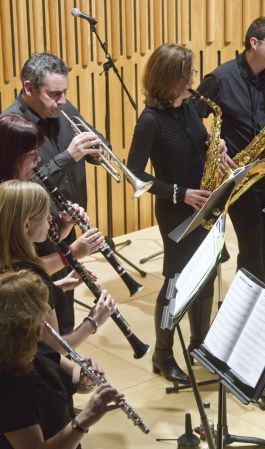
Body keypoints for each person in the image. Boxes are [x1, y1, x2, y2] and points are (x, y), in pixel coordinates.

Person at [127, 44, 227, 384]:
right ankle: (163, 353)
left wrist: (216, 147)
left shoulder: (188, 109)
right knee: (175, 283)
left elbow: (197, 143)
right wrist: (180, 194)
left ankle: (200, 344)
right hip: (177, 211)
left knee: (208, 275)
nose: (193, 81)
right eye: (187, 76)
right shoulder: (150, 121)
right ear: (170, 79)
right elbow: (135, 174)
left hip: (206, 204)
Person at [2, 52, 109, 333]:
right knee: (36, 318)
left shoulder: (63, 108)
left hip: (61, 226)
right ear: (29, 88)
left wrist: (97, 151)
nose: (61, 101)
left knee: (63, 307)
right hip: (29, 236)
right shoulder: (12, 128)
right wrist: (68, 156)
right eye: (54, 94)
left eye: (64, 92)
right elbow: (19, 188)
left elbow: (94, 139)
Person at [196, 16, 265, 283]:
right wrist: (212, 144)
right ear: (254, 43)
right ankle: (249, 310)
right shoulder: (220, 78)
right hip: (241, 177)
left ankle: (258, 305)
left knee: (263, 249)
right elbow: (192, 116)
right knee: (251, 251)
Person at [0, 269, 124, 449]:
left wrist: (85, 380)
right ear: (27, 322)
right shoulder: (7, 388)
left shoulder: (32, 346)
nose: (48, 317)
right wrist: (84, 420)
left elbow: (74, 377)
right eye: (46, 310)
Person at [0, 180, 115, 351]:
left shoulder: (8, 260)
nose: (50, 218)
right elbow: (53, 346)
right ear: (26, 225)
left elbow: (15, 300)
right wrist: (93, 320)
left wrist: (57, 287)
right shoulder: (33, 276)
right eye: (45, 214)